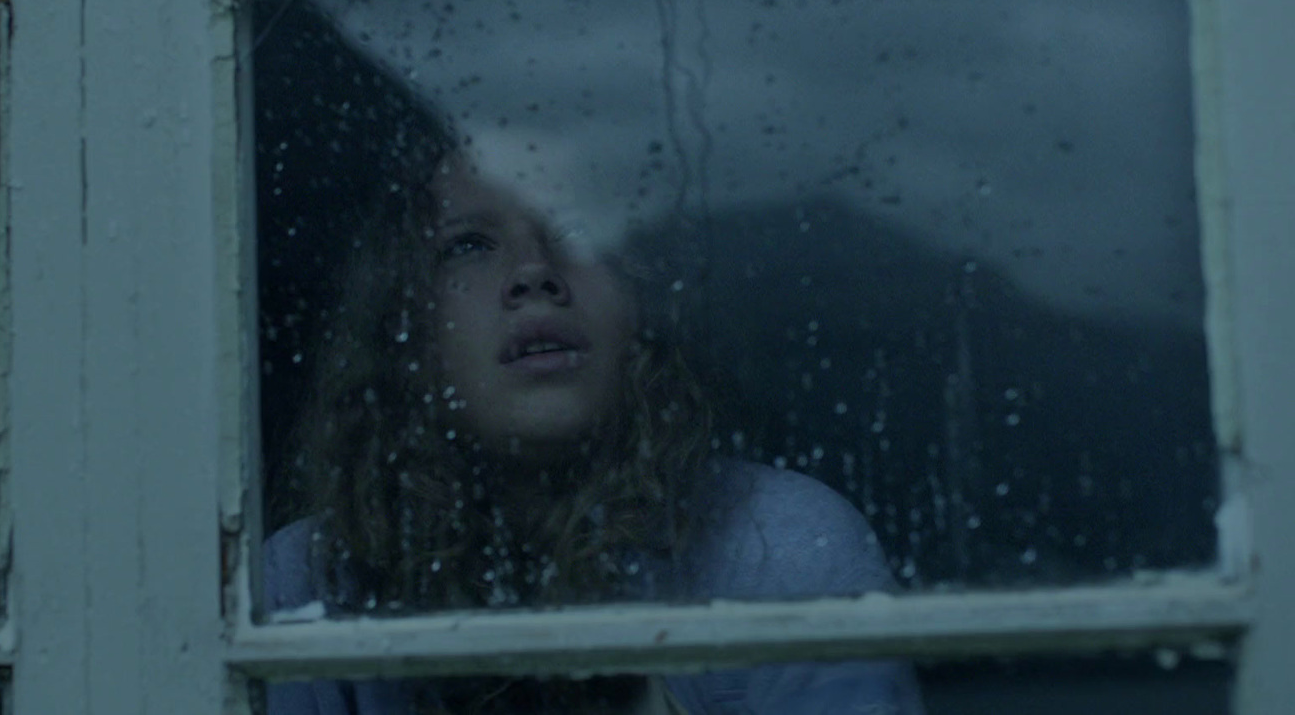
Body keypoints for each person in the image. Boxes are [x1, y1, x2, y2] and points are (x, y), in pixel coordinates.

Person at [263, 132, 925, 714]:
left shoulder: (781, 546)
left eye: (575, 230)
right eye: (468, 245)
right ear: (402, 328)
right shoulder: (304, 583)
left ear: (639, 306)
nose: (533, 273)